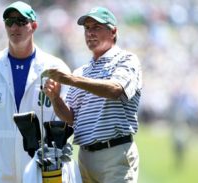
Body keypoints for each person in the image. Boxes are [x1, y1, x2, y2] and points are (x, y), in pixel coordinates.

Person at [0, 1, 70, 183]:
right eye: (9, 21)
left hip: (41, 166)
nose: (14, 27)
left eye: (21, 21)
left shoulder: (55, 68)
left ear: (33, 26)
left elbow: (65, 121)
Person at [43, 6, 142, 183]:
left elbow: (115, 89)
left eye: (96, 27)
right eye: (87, 28)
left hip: (115, 153)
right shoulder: (81, 71)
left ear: (113, 31)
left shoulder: (126, 59)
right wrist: (55, 97)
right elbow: (71, 118)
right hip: (85, 157)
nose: (90, 33)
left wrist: (72, 80)